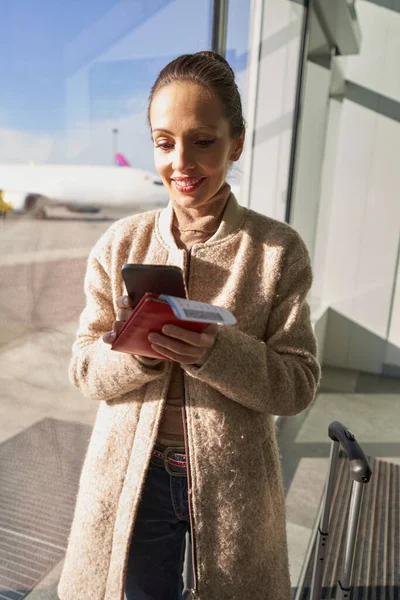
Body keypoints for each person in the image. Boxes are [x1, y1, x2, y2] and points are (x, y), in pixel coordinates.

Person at [57, 51, 321, 600]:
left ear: (237, 143)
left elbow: (297, 385)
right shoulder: (120, 245)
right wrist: (137, 353)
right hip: (133, 481)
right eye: (163, 141)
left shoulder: (277, 251)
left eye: (203, 141)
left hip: (233, 486)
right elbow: (84, 368)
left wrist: (213, 354)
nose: (181, 161)